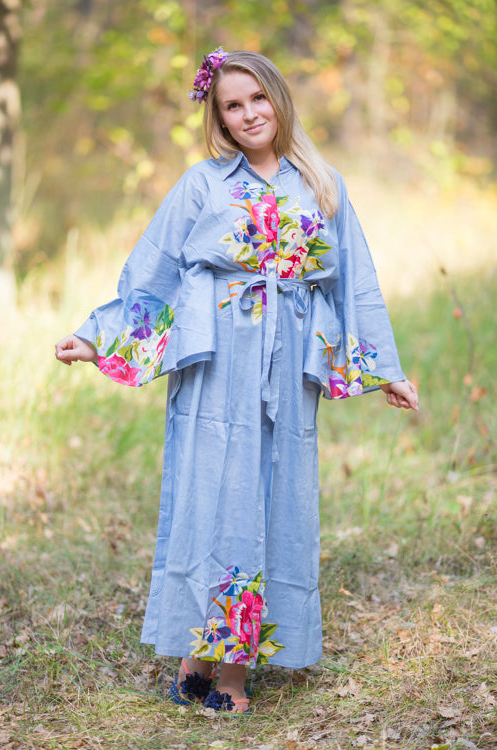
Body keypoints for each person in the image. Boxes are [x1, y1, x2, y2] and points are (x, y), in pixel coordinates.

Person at [55, 48, 418, 715]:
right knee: (210, 494)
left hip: (286, 363)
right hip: (216, 358)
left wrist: (385, 371)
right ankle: (198, 648)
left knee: (273, 497)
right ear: (217, 116)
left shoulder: (322, 184)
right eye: (232, 104)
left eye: (258, 98)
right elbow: (154, 268)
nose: (249, 113)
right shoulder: (204, 184)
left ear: (278, 99)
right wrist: (95, 335)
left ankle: (232, 674)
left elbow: (356, 281)